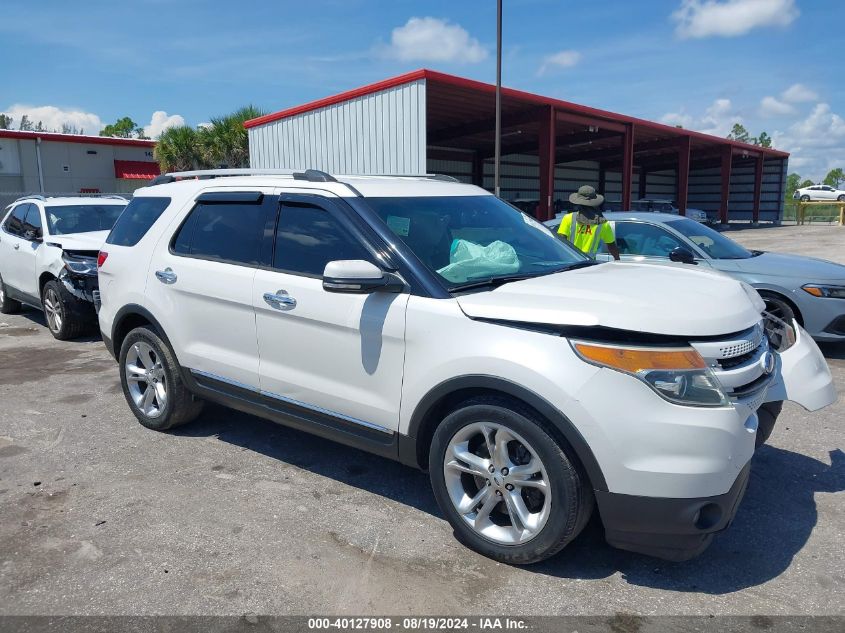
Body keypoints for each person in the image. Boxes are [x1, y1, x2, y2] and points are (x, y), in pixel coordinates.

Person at [557, 185, 620, 260]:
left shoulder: (568, 218)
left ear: (578, 202)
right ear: (595, 203)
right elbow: (611, 245)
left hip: (571, 261)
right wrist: (617, 259)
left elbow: (560, 241)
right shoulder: (602, 223)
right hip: (589, 263)